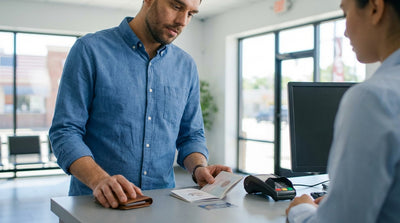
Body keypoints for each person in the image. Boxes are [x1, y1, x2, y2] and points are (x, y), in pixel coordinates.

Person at [49, 0, 232, 209]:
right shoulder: (89, 50)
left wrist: (199, 168)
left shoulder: (186, 66)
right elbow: (65, 131)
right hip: (94, 205)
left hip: (161, 206)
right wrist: (99, 179)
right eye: (176, 6)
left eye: (191, 14)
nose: (182, 21)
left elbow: (190, 135)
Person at [286, 0, 400, 222]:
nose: (346, 31)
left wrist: (301, 209)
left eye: (346, 12)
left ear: (375, 9)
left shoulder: (373, 98)